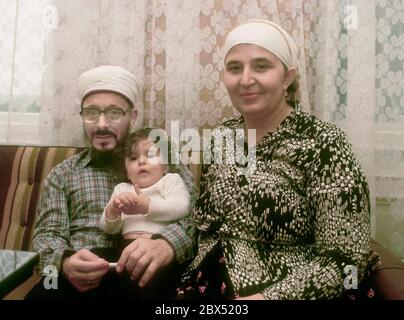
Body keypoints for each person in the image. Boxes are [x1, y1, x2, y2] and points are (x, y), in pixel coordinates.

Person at [176, 20, 370, 300]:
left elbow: (349, 259)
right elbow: (201, 225)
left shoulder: (324, 142)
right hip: (203, 286)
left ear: (287, 77)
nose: (245, 80)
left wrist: (273, 297)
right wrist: (164, 244)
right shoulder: (222, 137)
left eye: (261, 66)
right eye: (234, 68)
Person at [26, 65, 196, 300]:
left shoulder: (166, 162)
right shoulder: (63, 174)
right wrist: (64, 263)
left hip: (146, 273)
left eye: (114, 112)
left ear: (132, 116)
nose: (102, 124)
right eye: (92, 113)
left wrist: (167, 244)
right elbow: (47, 235)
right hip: (79, 280)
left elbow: (199, 217)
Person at [100, 127, 191, 245]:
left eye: (151, 155)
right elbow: (108, 229)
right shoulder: (122, 189)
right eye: (133, 158)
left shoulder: (170, 180)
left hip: (158, 244)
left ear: (165, 166)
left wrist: (148, 207)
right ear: (126, 172)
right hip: (126, 246)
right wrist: (112, 212)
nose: (141, 161)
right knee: (98, 254)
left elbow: (183, 207)